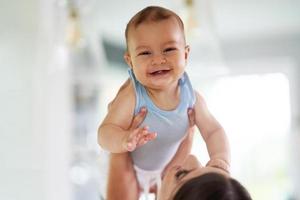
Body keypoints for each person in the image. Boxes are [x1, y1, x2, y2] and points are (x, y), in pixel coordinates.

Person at [98, 6, 230, 199]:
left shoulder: (191, 98)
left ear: (185, 55)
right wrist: (123, 140)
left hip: (168, 170)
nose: (158, 59)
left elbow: (213, 131)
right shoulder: (133, 96)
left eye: (169, 49)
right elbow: (104, 133)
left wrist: (220, 158)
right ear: (130, 61)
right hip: (132, 168)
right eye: (145, 53)